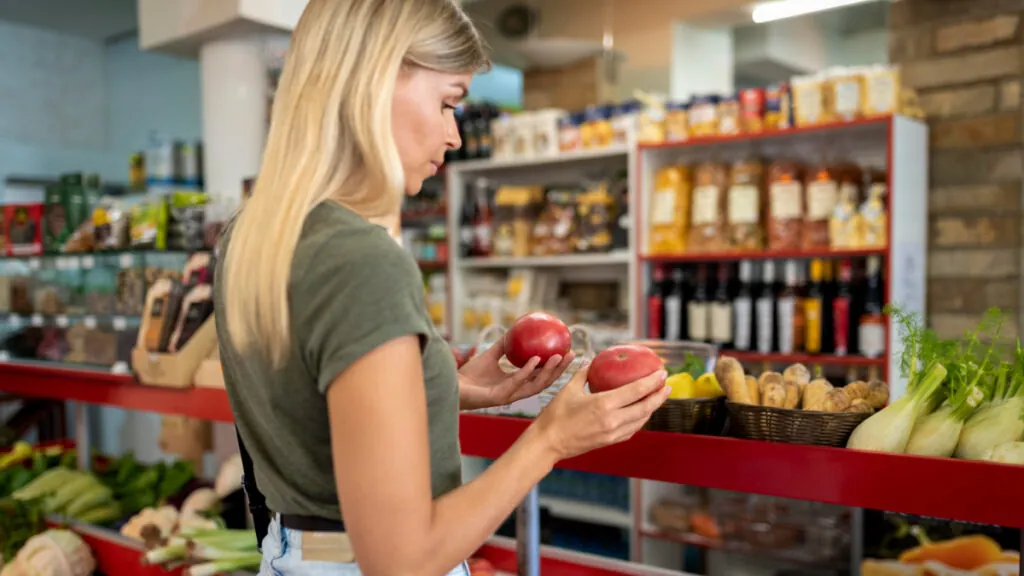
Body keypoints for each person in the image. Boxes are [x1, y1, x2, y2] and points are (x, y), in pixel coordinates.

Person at [213, 0, 670, 574]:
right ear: (374, 81)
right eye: (448, 102)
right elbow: (402, 559)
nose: (454, 135)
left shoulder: (250, 235)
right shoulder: (361, 259)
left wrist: (442, 389)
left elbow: (308, 409)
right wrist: (549, 441)